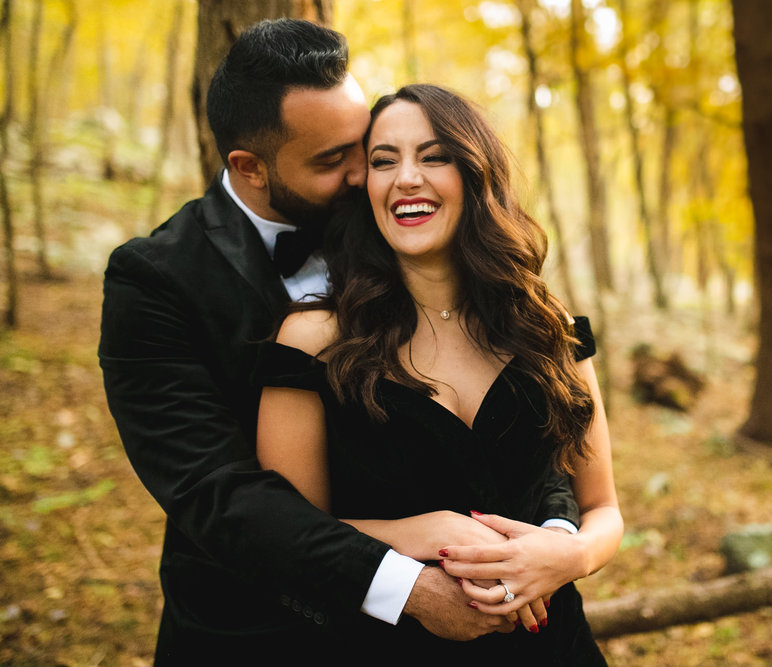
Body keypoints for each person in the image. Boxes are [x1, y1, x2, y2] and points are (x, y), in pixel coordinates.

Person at [98, 20, 581, 665]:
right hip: (253, 629)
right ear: (249, 167)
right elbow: (218, 494)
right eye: (333, 160)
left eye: (366, 147)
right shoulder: (154, 281)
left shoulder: (397, 226)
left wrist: (554, 538)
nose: (367, 175)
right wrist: (405, 583)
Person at [255, 83, 624, 663]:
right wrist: (417, 532)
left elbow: (601, 507)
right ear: (367, 188)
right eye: (384, 161)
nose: (406, 178)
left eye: (433, 157)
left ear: (476, 176)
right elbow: (286, 535)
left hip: (550, 645)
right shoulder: (315, 341)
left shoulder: (548, 330)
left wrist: (567, 557)